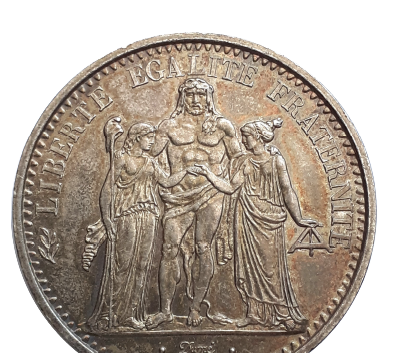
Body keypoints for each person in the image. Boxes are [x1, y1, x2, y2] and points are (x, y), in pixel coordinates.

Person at [190, 118, 319, 332]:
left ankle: (283, 313)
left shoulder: (276, 160)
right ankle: (254, 313)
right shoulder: (245, 162)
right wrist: (208, 174)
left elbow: (287, 190)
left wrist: (298, 218)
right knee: (249, 268)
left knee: (271, 269)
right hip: (247, 218)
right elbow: (230, 187)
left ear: (258, 137)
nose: (243, 141)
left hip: (270, 220)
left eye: (246, 136)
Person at [145, 78, 243, 329]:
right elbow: (149, 156)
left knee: (203, 247)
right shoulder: (169, 126)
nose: (195, 100)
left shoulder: (223, 126)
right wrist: (165, 180)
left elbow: (239, 158)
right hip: (178, 195)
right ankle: (165, 310)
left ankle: (196, 307)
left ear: (209, 98)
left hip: (211, 194)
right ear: (182, 98)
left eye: (200, 95)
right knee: (169, 249)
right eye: (190, 95)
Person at [86, 122, 192, 331]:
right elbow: (107, 190)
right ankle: (111, 313)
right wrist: (107, 219)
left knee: (142, 266)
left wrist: (187, 171)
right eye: (148, 136)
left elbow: (167, 182)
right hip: (127, 215)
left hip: (148, 215)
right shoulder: (122, 159)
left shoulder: (150, 162)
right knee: (123, 265)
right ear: (136, 138)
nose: (152, 140)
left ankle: (131, 315)